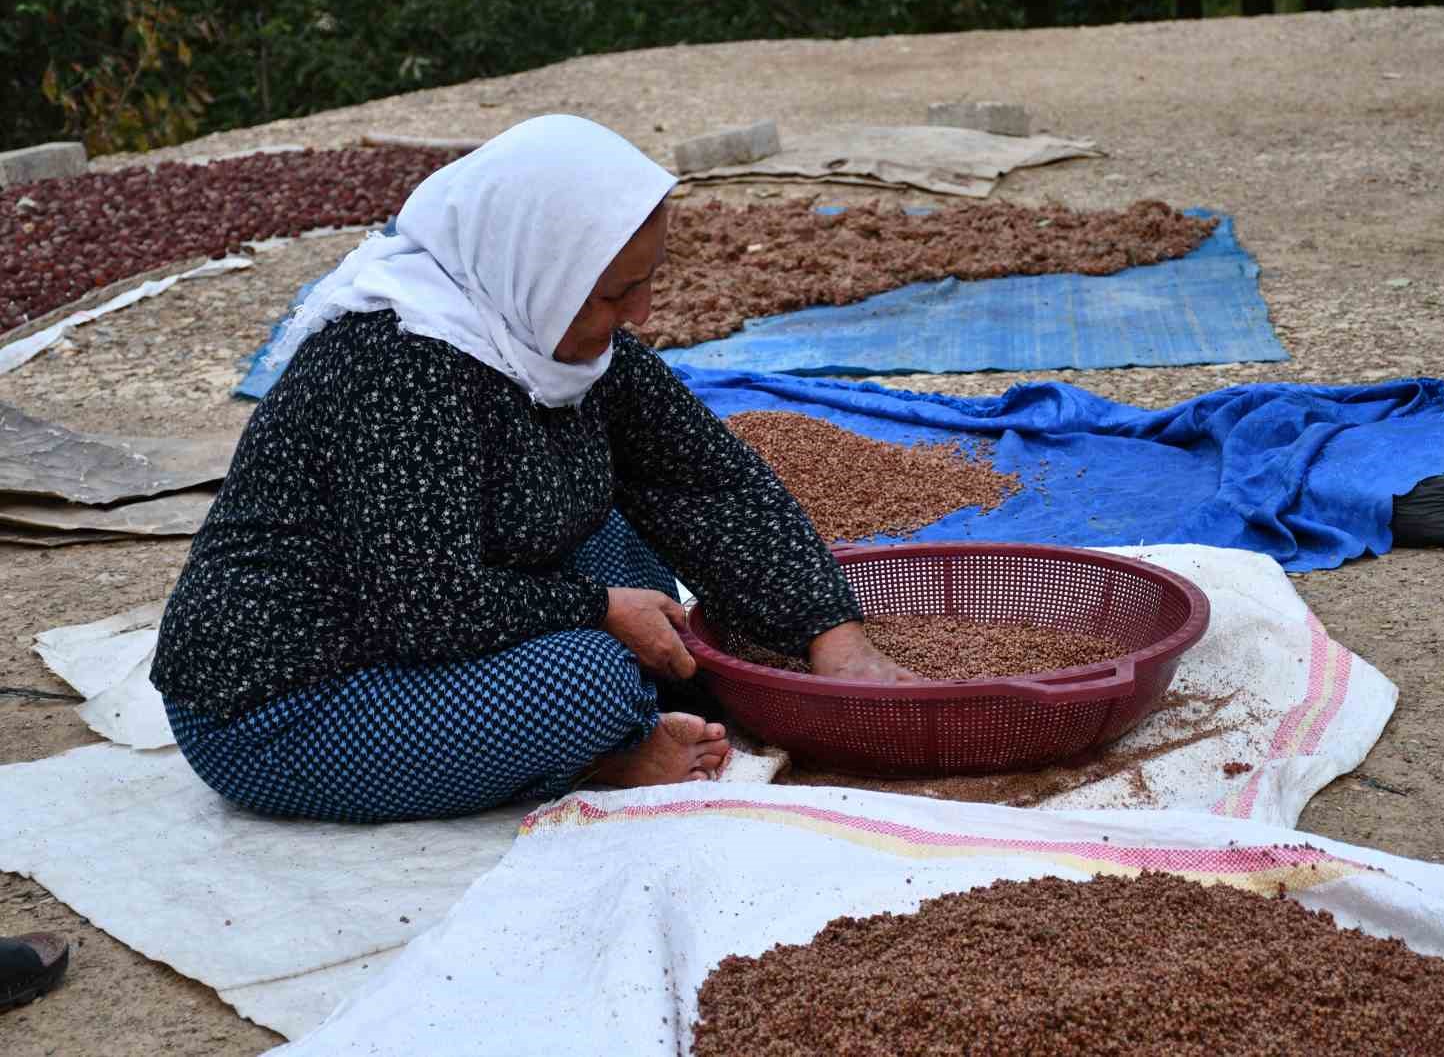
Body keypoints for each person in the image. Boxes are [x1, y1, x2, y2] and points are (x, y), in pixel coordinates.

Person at [151, 115, 916, 824]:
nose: (641, 313)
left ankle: (611, 716)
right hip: (293, 698)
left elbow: (710, 483)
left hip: (441, 630)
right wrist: (597, 609)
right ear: (535, 266)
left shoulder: (555, 339)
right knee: (588, 679)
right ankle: (602, 751)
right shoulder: (401, 366)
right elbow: (426, 604)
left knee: (630, 538)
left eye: (647, 281)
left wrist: (829, 632)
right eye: (617, 292)